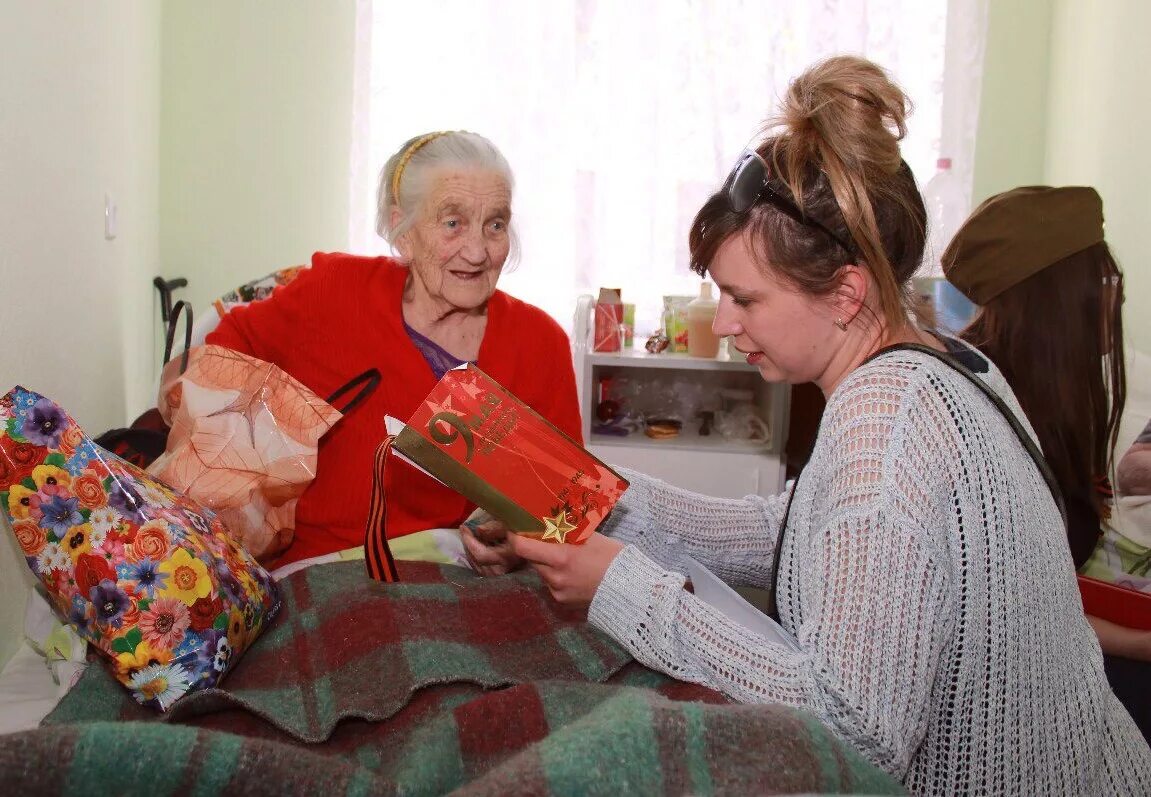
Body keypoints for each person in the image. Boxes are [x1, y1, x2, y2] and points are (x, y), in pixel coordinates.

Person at [461, 56, 1151, 793]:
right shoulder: (937, 359)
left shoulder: (885, 432)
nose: (723, 323)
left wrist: (622, 588)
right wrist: (597, 498)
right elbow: (800, 527)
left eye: (745, 299)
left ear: (846, 292)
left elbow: (853, 734)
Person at [208, 131, 582, 566]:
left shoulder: (541, 342)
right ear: (402, 230)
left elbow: (563, 516)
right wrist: (271, 448)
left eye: (495, 224)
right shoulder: (335, 291)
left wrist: (517, 551)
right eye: (452, 223)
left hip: (464, 579)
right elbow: (220, 354)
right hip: (327, 568)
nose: (478, 251)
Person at [941, 185, 1151, 741]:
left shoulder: (1044, 396)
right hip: (1003, 697)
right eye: (1106, 282)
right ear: (1058, 295)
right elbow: (1013, 618)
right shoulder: (986, 417)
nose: (1119, 297)